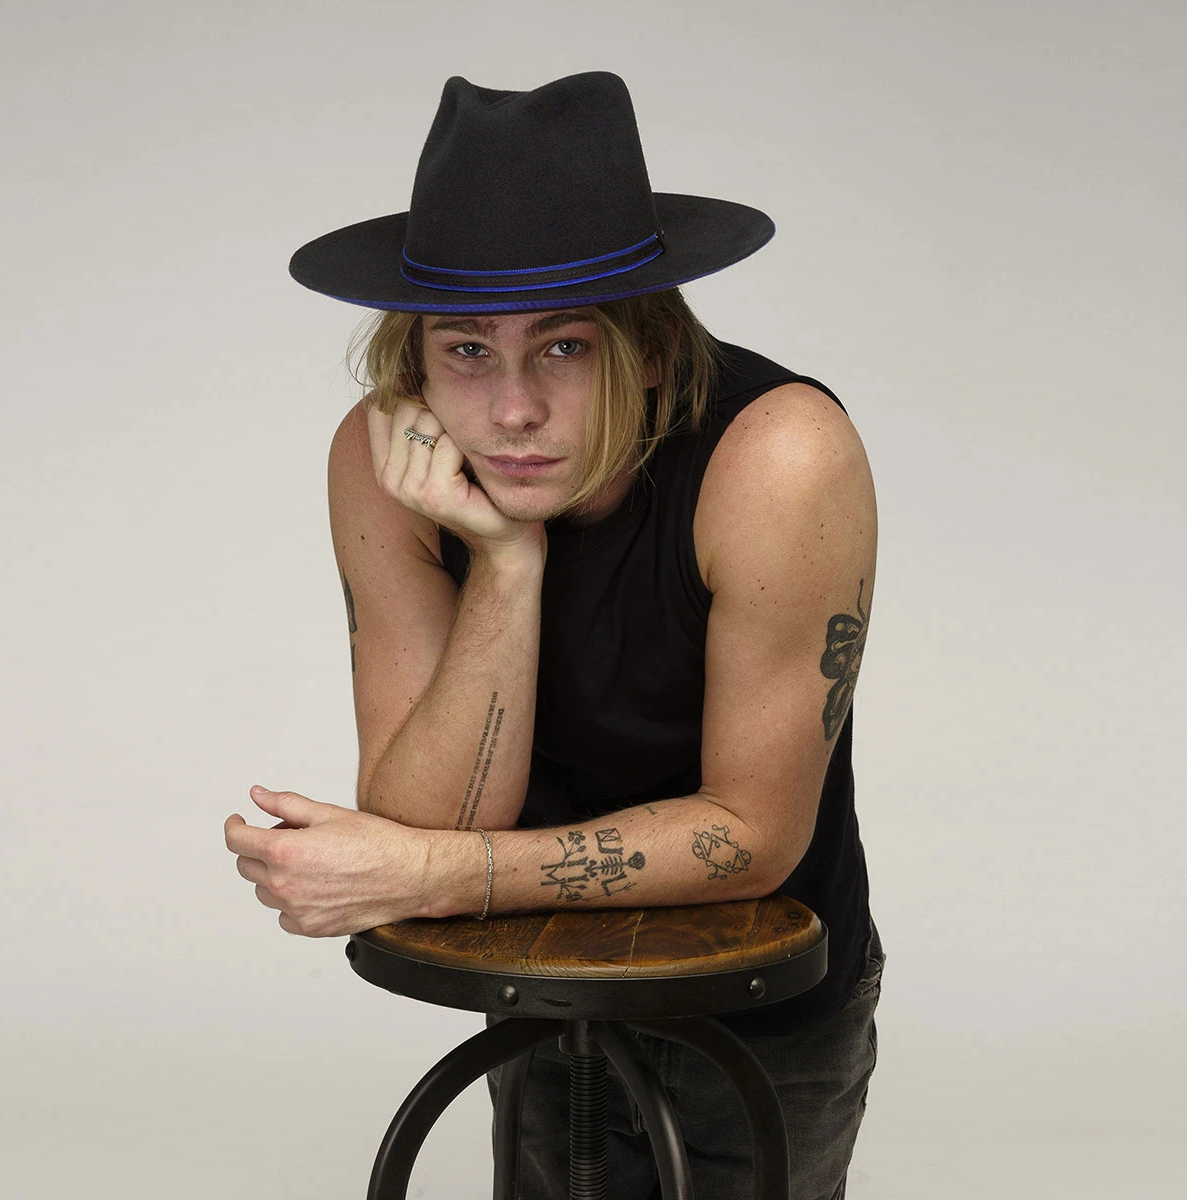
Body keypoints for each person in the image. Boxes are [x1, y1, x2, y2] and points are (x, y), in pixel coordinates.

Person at [225, 71, 884, 1199]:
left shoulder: (780, 458)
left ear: (650, 347)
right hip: (537, 977)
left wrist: (430, 875)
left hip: (761, 1000)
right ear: (415, 361)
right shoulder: (388, 463)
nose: (513, 411)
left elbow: (751, 837)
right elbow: (431, 816)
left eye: (564, 348)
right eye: (467, 350)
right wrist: (505, 562)